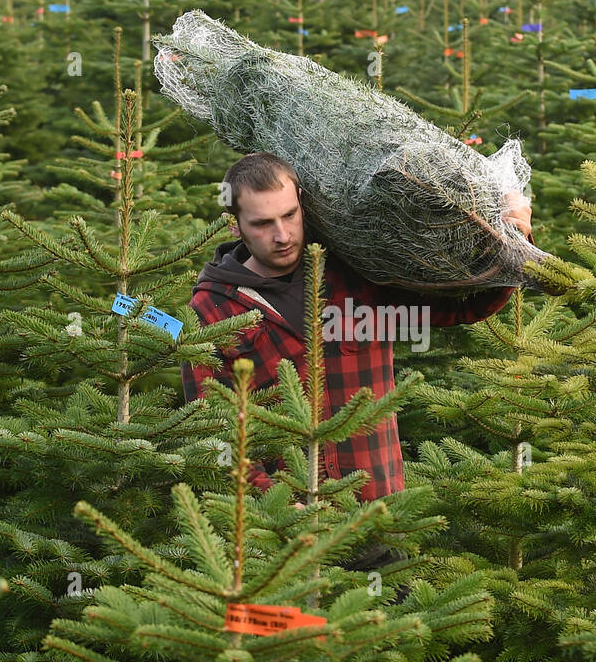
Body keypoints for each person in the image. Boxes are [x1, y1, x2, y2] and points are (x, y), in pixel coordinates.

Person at [180, 151, 536, 568]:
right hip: (282, 538)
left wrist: (512, 240)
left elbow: (463, 307)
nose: (282, 235)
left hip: (379, 516)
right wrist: (272, 502)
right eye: (262, 224)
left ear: (301, 201)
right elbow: (209, 428)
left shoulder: (353, 272)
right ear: (234, 223)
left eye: (289, 215)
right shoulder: (211, 310)